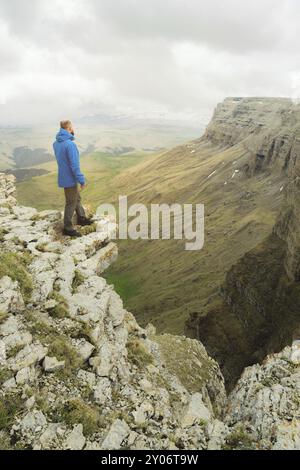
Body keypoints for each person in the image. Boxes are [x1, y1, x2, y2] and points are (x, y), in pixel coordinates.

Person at [53, 120, 92, 237]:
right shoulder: (70, 145)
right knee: (70, 202)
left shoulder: (56, 143)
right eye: (72, 127)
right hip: (70, 177)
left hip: (63, 175)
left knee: (76, 198)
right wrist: (81, 180)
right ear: (69, 128)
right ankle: (68, 228)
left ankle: (81, 217)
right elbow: (74, 165)